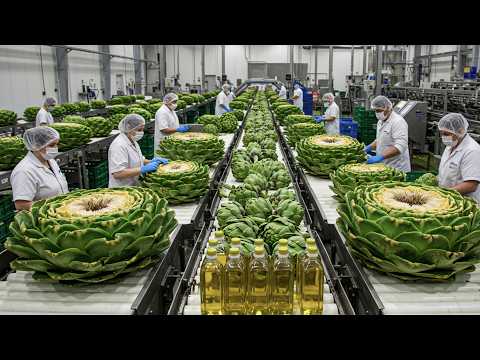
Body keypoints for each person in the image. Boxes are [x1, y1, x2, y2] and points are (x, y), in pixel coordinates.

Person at [10, 127, 69, 211]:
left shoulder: (50, 161)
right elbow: (21, 205)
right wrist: (52, 207)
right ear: (36, 145)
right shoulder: (24, 171)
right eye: (52, 145)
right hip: (43, 219)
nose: (56, 148)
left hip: (61, 212)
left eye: (57, 144)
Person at [109, 114, 168, 188]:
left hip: (135, 184)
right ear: (128, 128)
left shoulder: (132, 140)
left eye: (143, 129)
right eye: (139, 130)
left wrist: (152, 162)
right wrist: (143, 169)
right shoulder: (119, 145)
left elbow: (139, 159)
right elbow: (117, 173)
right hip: (123, 187)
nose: (142, 132)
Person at [437, 113, 480, 203]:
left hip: (464, 202)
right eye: (441, 133)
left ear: (460, 131)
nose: (443, 137)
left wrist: (444, 193)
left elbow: (471, 184)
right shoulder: (451, 145)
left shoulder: (472, 151)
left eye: (446, 133)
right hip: (448, 198)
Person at [364, 95, 411, 172]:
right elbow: (379, 140)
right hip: (384, 166)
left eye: (379, 111)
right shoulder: (380, 121)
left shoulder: (398, 122)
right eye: (375, 111)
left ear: (388, 108)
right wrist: (367, 148)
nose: (377, 113)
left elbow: (400, 146)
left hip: (397, 167)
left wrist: (380, 157)